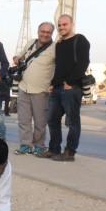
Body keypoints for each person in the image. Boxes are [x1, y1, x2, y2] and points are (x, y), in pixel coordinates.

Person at [39, 14, 90, 162]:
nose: (61, 27)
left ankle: (69, 152)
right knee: (52, 119)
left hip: (72, 89)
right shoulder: (59, 44)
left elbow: (83, 63)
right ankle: (54, 149)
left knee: (73, 122)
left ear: (72, 24)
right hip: (57, 88)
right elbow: (59, 67)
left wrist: (70, 82)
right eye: (59, 25)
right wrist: (53, 84)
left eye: (64, 24)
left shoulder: (80, 40)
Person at [13, 22, 55, 156]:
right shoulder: (31, 42)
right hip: (24, 87)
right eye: (43, 31)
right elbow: (20, 55)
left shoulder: (54, 48)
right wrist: (17, 58)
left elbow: (60, 66)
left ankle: (39, 146)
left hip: (41, 90)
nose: (45, 34)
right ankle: (26, 145)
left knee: (40, 121)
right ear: (38, 31)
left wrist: (55, 83)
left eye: (48, 32)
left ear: (51, 34)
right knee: (23, 120)